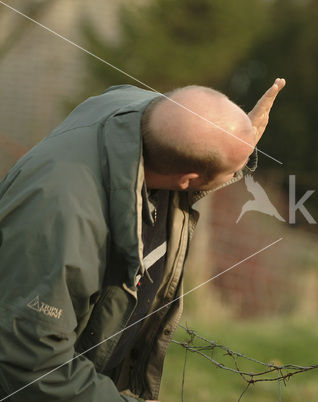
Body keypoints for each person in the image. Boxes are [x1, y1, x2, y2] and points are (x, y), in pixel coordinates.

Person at [0, 78, 285, 401]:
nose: (242, 170)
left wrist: (233, 138)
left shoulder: (145, 119)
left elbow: (191, 137)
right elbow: (33, 364)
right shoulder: (61, 221)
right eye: (235, 169)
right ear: (185, 180)